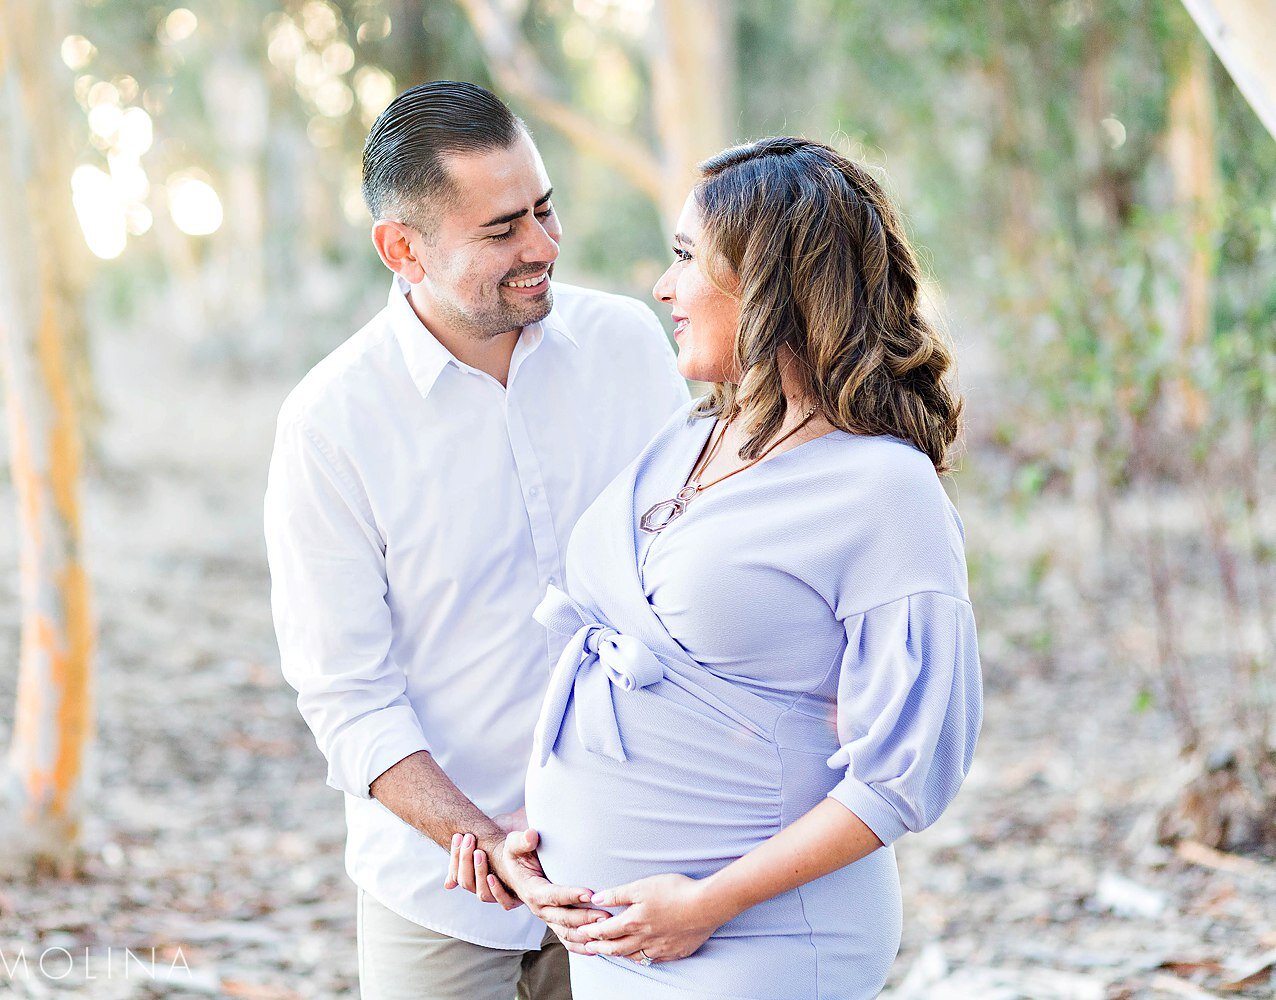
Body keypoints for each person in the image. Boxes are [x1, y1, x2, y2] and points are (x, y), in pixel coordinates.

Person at [447, 137, 984, 999]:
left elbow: (903, 774)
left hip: (755, 941)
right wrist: (533, 825)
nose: (663, 287)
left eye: (687, 258)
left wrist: (705, 903)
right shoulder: (691, 436)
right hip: (621, 941)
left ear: (769, 281)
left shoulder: (884, 489)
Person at [264, 80, 690, 1000]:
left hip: (645, 866)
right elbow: (347, 696)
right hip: (439, 895)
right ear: (402, 250)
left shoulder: (629, 346)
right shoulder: (330, 426)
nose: (540, 246)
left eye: (543, 209)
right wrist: (485, 838)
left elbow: (690, 576)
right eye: (501, 231)